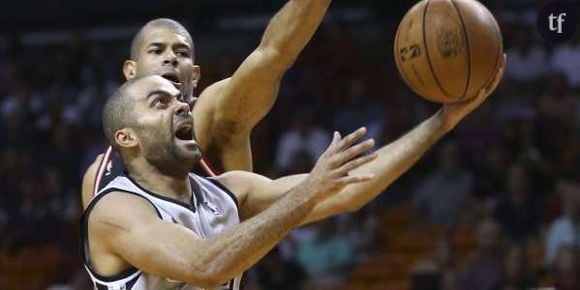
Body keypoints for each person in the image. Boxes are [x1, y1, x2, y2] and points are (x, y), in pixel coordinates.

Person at [82, 51, 505, 289]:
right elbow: (205, 266)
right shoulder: (117, 210)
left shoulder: (227, 191)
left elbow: (351, 189)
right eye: (159, 103)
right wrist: (308, 192)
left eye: (180, 99)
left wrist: (443, 121)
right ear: (127, 138)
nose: (180, 105)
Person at [82, 0, 335, 208]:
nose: (170, 57)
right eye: (157, 50)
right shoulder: (98, 176)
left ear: (194, 76)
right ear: (130, 71)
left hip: (212, 265)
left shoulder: (209, 114)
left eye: (181, 53)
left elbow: (273, 54)